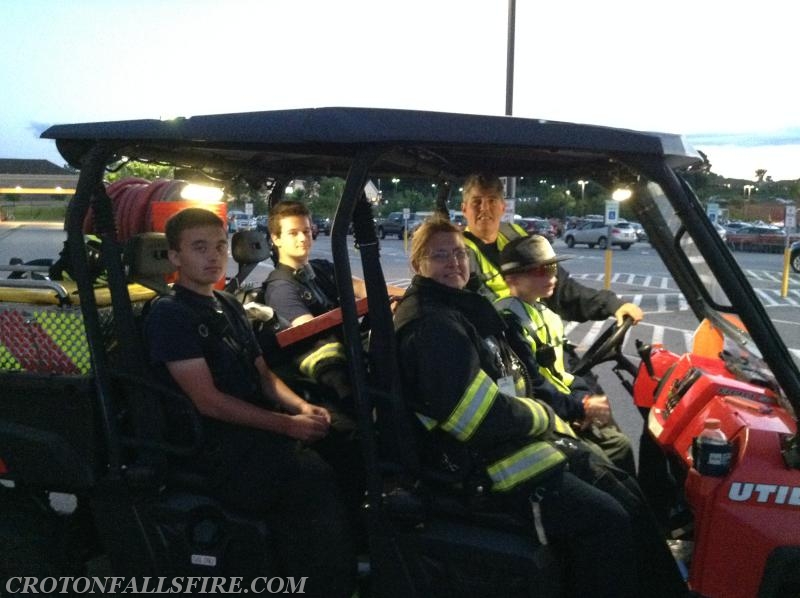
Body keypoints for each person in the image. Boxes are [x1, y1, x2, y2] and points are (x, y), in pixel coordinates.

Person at [393, 216, 686, 598]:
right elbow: (477, 420)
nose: (455, 262)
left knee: (626, 491)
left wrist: (553, 412)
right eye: (441, 255)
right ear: (419, 265)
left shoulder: (461, 307)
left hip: (515, 445)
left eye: (460, 253)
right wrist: (546, 415)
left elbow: (517, 378)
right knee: (609, 521)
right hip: (487, 467)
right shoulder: (433, 326)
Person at [144, 207, 355, 597]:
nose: (213, 256)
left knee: (347, 440)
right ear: (174, 257)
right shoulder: (171, 316)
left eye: (220, 246)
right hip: (218, 445)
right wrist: (288, 426)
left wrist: (301, 409)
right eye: (199, 247)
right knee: (311, 478)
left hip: (254, 428)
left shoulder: (226, 305)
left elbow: (263, 375)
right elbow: (208, 401)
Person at [495, 234, 636, 475]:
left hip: (561, 406)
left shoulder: (547, 316)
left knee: (619, 444)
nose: (553, 276)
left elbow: (563, 372)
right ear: (512, 278)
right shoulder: (507, 323)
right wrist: (580, 407)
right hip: (539, 416)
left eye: (552, 268)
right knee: (601, 463)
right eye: (540, 271)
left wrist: (583, 399)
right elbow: (532, 387)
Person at [262, 200, 404, 407]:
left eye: (307, 231)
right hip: (336, 371)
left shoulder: (320, 268)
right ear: (276, 239)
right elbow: (311, 331)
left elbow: (364, 288)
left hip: (355, 351)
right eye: (293, 233)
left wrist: (410, 294)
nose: (303, 238)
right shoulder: (281, 287)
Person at [460, 173, 644, 326]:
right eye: (477, 202)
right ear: (464, 209)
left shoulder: (515, 236)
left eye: (492, 201)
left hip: (537, 337)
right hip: (502, 349)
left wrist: (611, 303)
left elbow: (560, 287)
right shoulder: (457, 254)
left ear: (502, 207)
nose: (484, 209)